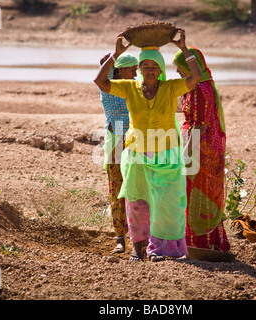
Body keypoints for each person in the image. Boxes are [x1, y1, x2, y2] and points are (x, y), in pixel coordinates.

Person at [94, 29, 202, 262]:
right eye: (145, 67)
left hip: (166, 156)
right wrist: (116, 54)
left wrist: (184, 50)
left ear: (161, 70)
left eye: (154, 67)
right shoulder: (130, 88)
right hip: (136, 154)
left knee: (167, 203)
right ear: (140, 70)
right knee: (137, 203)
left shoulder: (170, 88)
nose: (149, 71)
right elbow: (100, 82)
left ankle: (162, 250)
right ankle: (137, 248)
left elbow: (195, 79)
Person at [173, 46, 230, 252]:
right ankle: (209, 241)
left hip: (198, 148)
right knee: (204, 193)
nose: (178, 71)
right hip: (206, 148)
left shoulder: (198, 89)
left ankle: (197, 243)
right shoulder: (207, 84)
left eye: (180, 67)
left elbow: (198, 125)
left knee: (194, 192)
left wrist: (187, 153)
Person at [98, 52, 138, 254]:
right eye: (133, 70)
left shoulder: (136, 87)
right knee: (117, 191)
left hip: (135, 142)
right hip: (116, 144)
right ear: (120, 69)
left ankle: (136, 238)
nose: (136, 73)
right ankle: (120, 238)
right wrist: (115, 54)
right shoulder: (109, 87)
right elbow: (101, 75)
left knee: (135, 190)